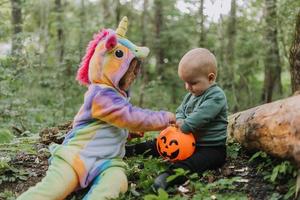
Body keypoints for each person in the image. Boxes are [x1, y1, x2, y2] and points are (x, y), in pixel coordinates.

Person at [17, 17, 175, 200]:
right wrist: (165, 118)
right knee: (55, 188)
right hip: (78, 156)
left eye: (135, 73)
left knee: (116, 182)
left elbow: (112, 124)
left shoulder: (116, 96)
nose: (133, 77)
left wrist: (127, 133)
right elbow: (128, 116)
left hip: (108, 162)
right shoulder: (100, 94)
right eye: (130, 71)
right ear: (112, 66)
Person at [126, 48, 228, 190]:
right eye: (185, 82)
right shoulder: (191, 95)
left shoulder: (216, 96)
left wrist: (184, 125)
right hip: (186, 142)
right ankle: (131, 150)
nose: (187, 87)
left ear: (210, 78)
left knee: (194, 162)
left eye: (192, 83)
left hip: (210, 147)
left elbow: (202, 116)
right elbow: (180, 111)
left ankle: (169, 176)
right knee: (157, 144)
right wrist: (179, 119)